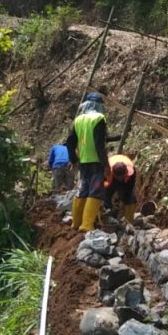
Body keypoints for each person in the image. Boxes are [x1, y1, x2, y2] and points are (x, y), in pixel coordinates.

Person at [66, 92, 110, 233]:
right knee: (95, 191)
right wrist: (106, 164)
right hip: (96, 162)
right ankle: (86, 225)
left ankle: (76, 222)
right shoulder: (99, 119)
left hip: (83, 162)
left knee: (83, 190)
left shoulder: (77, 120)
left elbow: (70, 143)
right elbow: (99, 145)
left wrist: (73, 159)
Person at [104, 154, 138, 223]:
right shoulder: (107, 171)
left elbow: (130, 187)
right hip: (109, 177)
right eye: (119, 178)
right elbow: (104, 187)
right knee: (106, 197)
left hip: (125, 177)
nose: (120, 179)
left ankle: (128, 222)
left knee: (131, 199)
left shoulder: (131, 170)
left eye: (122, 177)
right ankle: (108, 219)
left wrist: (124, 198)